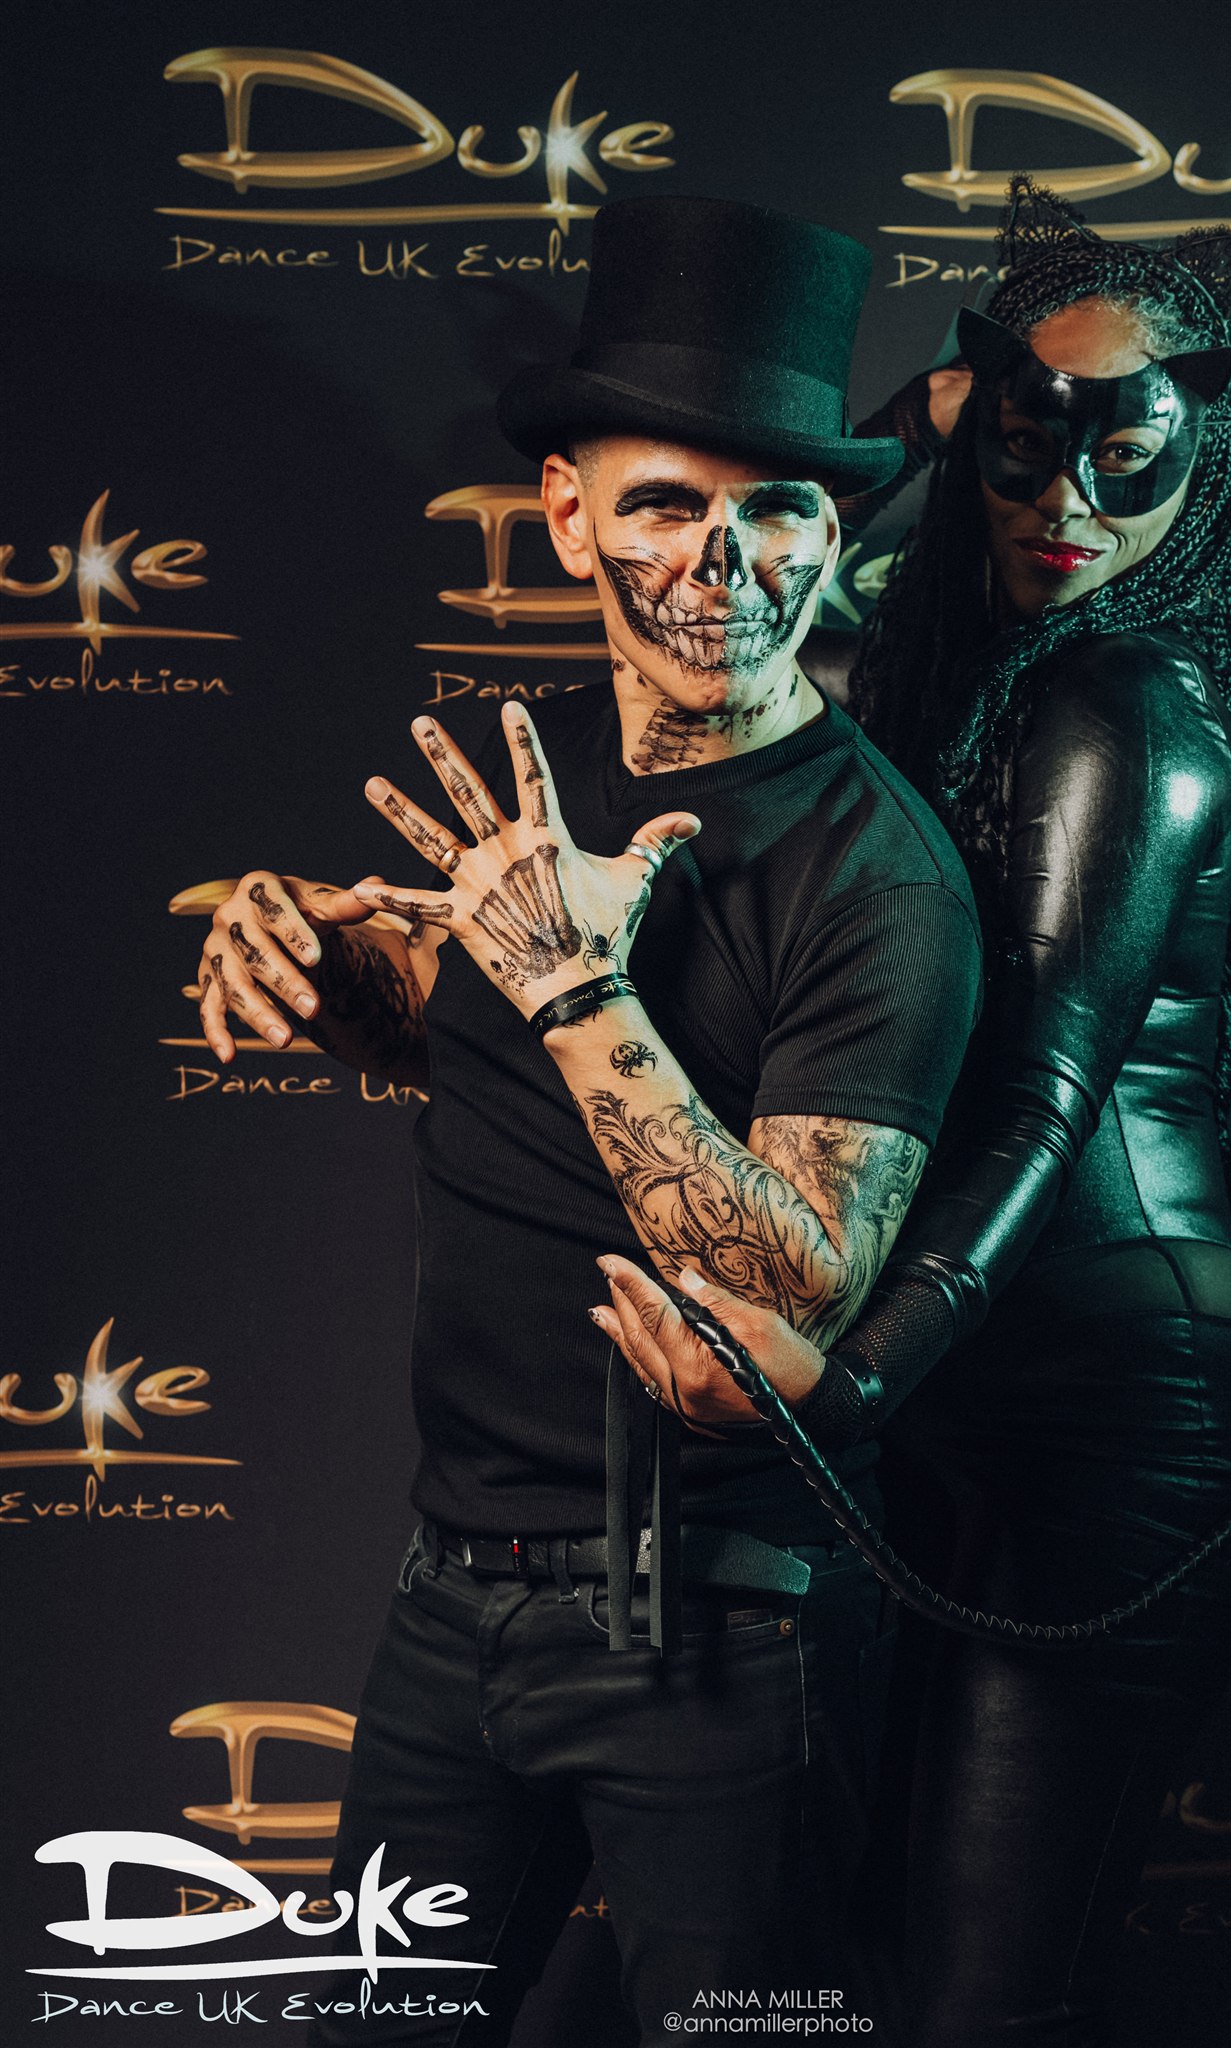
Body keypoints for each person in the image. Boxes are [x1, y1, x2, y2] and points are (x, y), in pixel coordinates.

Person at [192, 195, 982, 2046]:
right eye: (666, 505)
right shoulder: (527, 770)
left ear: (834, 533)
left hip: (717, 1628)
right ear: (567, 517)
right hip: (451, 1597)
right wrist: (314, 965)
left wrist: (577, 987)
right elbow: (450, 1035)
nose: (728, 562)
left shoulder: (880, 875)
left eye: (779, 512)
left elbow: (797, 1288)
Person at [592, 180, 1231, 2048]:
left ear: (1205, 467)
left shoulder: (1123, 704)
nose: (1065, 506)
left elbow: (1046, 1101)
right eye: (1020, 446)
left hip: (1110, 1406)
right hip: (972, 1374)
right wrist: (901, 433)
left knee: (982, 1996)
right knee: (867, 1960)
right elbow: (764, 577)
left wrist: (847, 1384)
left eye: (1123, 461)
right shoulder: (954, 677)